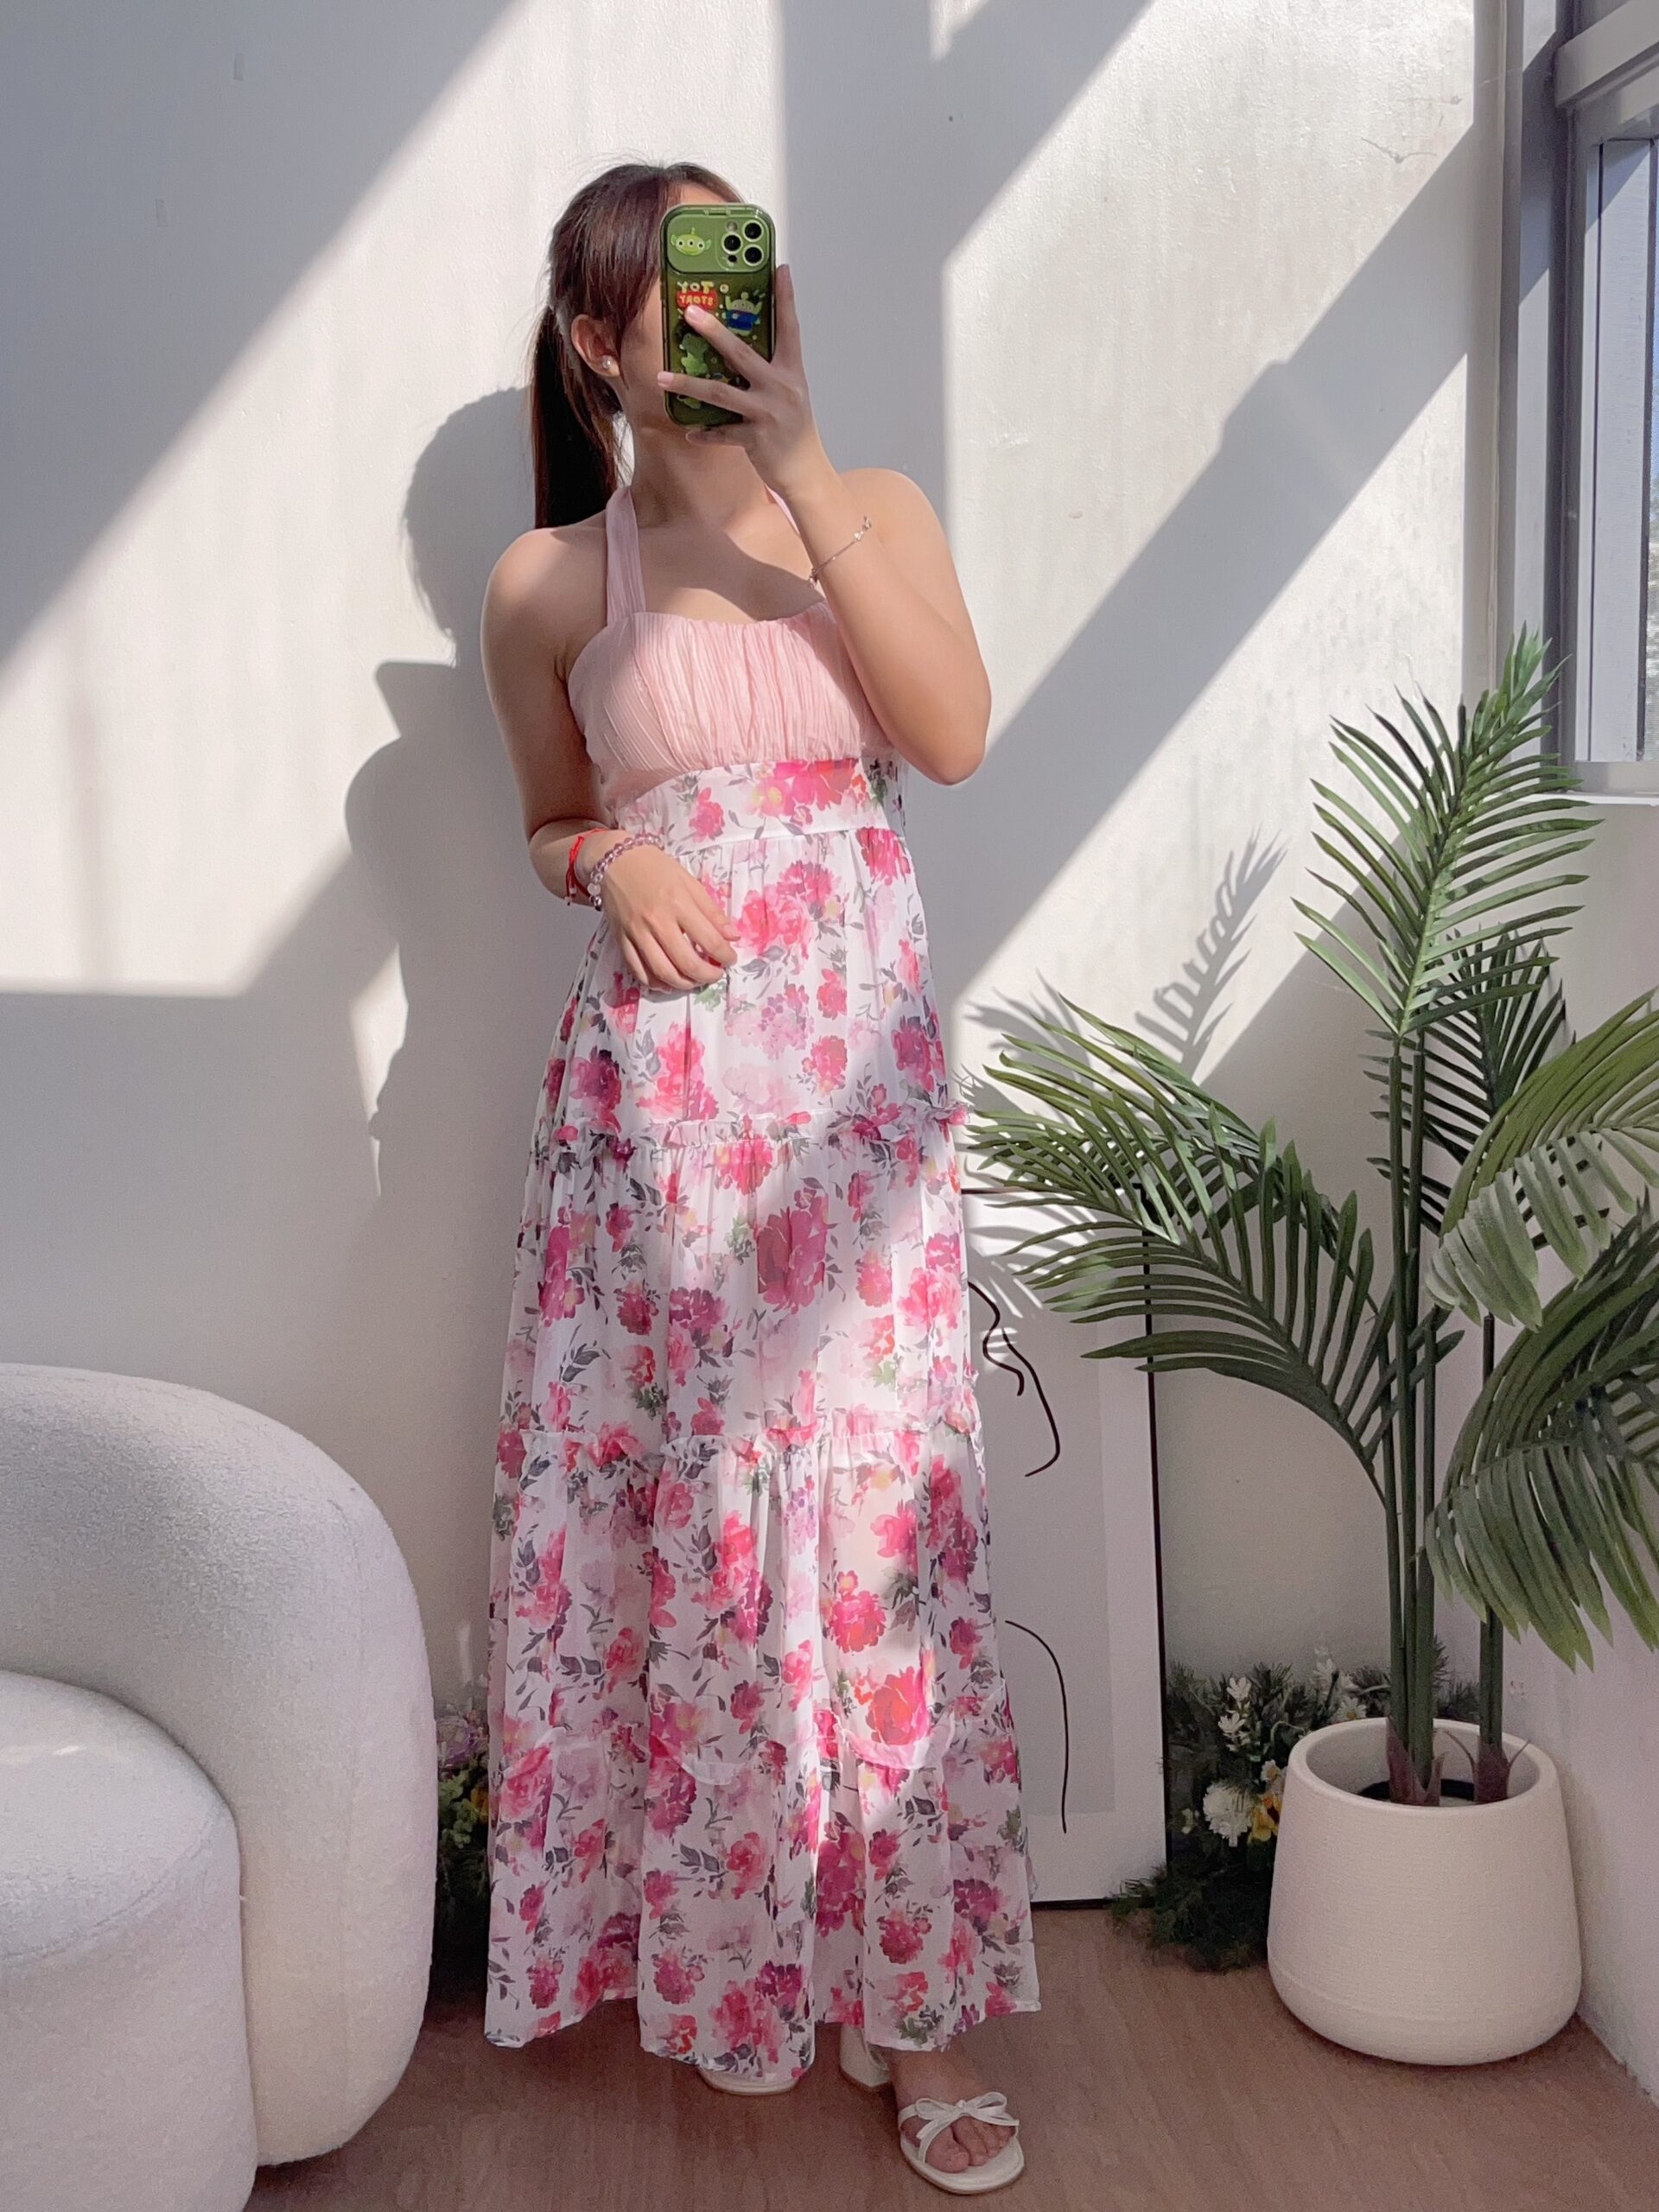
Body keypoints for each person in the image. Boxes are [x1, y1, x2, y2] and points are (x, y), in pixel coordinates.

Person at [480, 159, 1039, 2193]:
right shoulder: (552, 583)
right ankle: (731, 1957)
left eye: (748, 276)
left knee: (881, 1535)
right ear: (596, 340)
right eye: (678, 298)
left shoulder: (867, 505)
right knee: (693, 1531)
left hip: (855, 1119)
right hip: (665, 1127)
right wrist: (612, 858)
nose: (727, 316)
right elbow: (549, 815)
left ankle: (918, 2011)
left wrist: (802, 471)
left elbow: (952, 736)